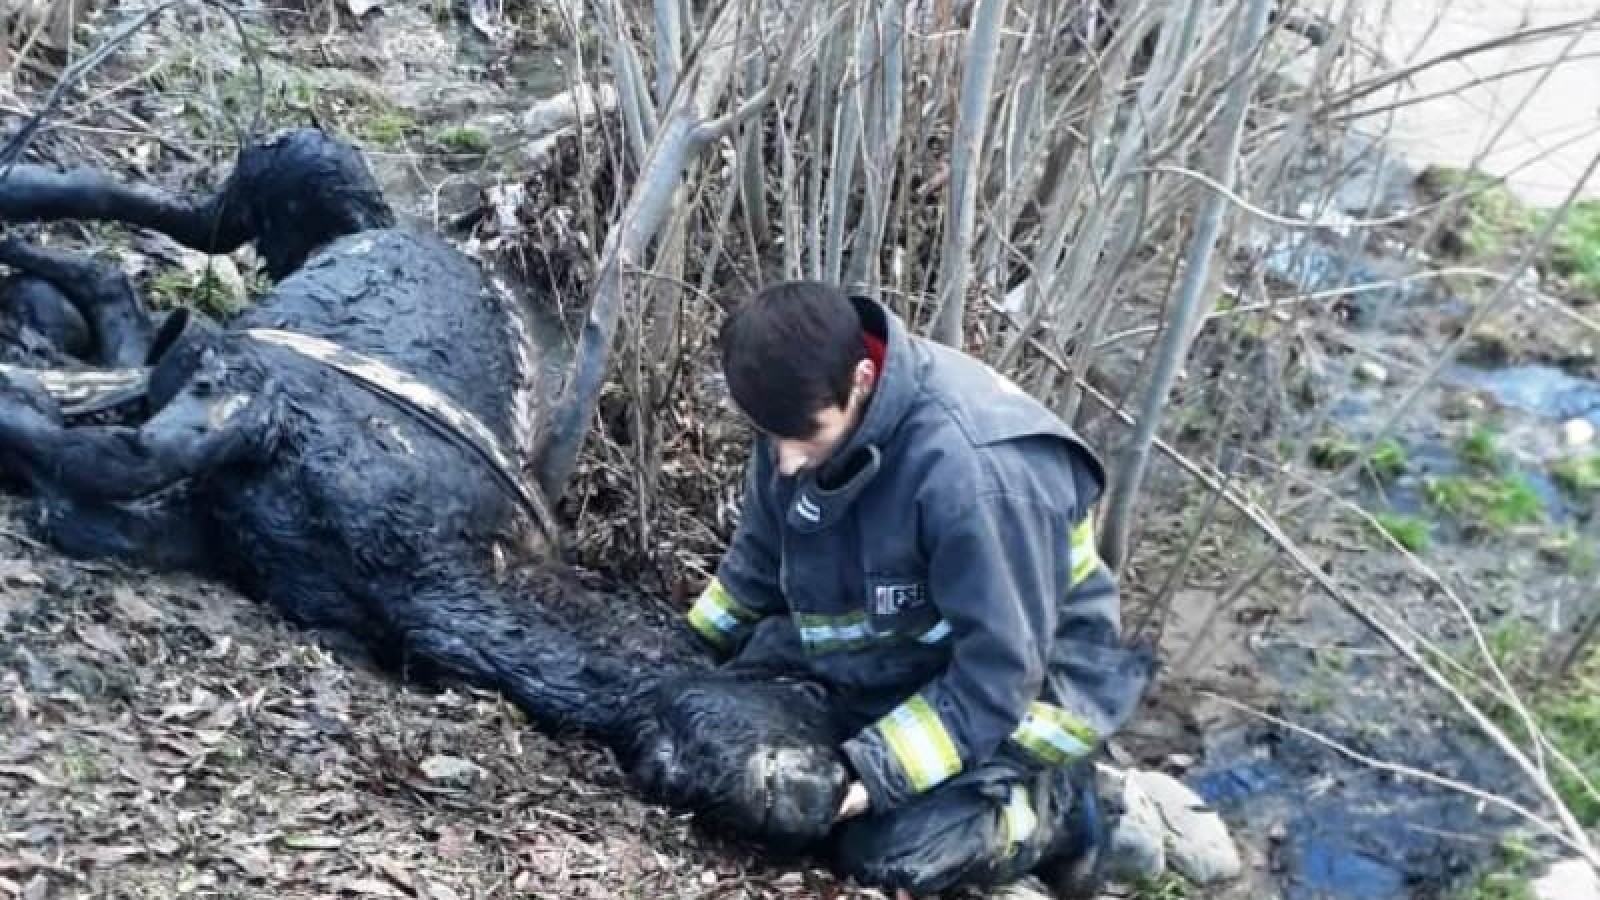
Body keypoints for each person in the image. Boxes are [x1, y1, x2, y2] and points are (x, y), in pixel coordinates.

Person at [685, 281, 1156, 899]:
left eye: (806, 441)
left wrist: (872, 771)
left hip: (1028, 687)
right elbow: (760, 554)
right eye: (774, 439)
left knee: (881, 853)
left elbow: (998, 679)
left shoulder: (976, 478)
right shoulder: (794, 408)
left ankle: (1061, 809)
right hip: (899, 646)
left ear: (860, 379)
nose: (788, 464)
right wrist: (693, 648)